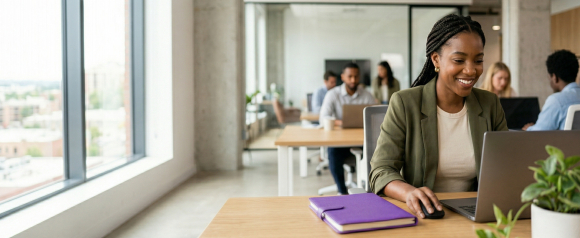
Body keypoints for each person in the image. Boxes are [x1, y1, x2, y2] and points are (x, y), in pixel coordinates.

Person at [369, 14, 508, 219]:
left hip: (478, 214)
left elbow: (506, 164)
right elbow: (381, 171)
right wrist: (409, 192)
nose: (471, 70)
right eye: (459, 60)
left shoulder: (489, 103)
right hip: (427, 216)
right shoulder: (405, 103)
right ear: (436, 59)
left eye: (478, 60)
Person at [319, 62, 375, 195]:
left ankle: (370, 190)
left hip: (362, 141)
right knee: (333, 152)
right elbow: (323, 117)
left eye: (356, 77)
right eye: (349, 76)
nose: (353, 80)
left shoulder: (367, 95)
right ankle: (342, 191)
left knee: (376, 152)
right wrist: (342, 122)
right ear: (343, 77)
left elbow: (376, 117)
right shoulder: (333, 94)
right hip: (340, 142)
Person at [523, 50, 580, 131]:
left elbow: (539, 133)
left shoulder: (557, 101)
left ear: (554, 77)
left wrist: (529, 129)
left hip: (563, 144)